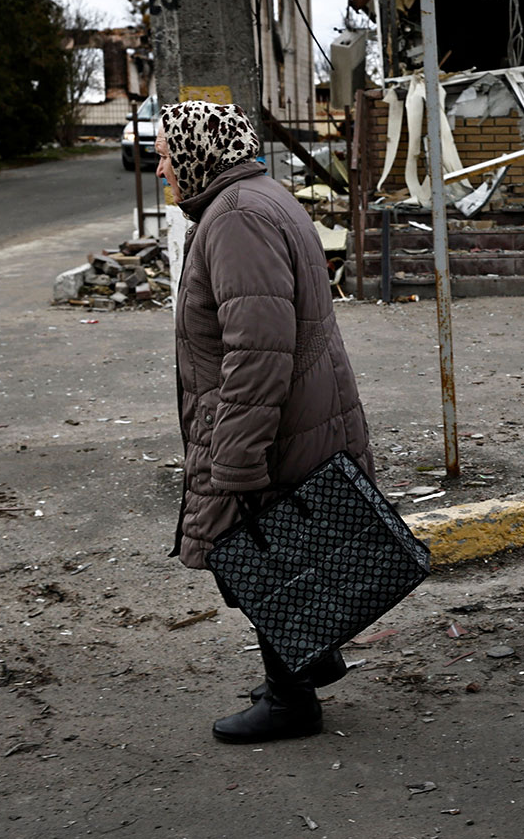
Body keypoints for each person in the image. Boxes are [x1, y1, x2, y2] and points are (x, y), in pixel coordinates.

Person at [156, 101, 374, 744]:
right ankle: (306, 660)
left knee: (253, 550)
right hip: (297, 412)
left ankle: (292, 700)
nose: (162, 162)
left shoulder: (237, 217)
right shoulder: (252, 198)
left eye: (170, 149)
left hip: (276, 423)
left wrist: (236, 457)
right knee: (272, 547)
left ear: (200, 150)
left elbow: (258, 349)